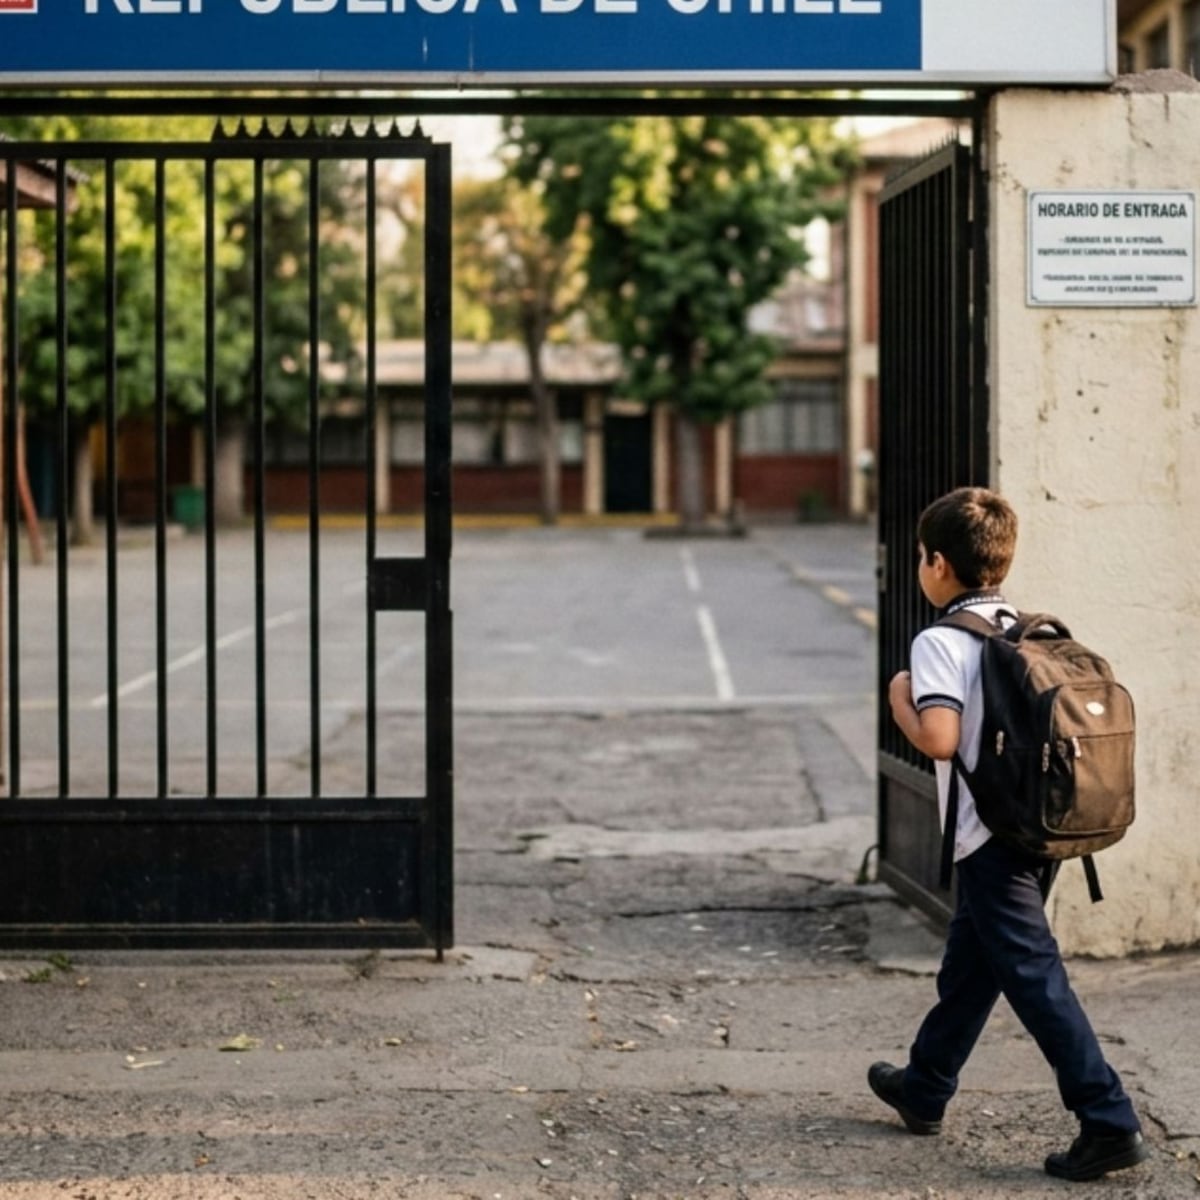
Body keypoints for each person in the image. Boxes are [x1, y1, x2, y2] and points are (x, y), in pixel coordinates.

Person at [869, 486, 1149, 1183]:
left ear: (936, 564)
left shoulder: (941, 640)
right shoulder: (1028, 626)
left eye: (921, 559)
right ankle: (925, 1085)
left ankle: (1108, 1118)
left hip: (988, 834)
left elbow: (938, 738)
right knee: (975, 964)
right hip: (1038, 824)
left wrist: (900, 695)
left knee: (1031, 974)